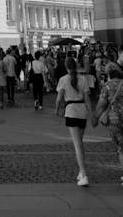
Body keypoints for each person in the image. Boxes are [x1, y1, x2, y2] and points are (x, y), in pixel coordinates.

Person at [55, 55, 94, 187]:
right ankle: (80, 171)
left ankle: (83, 174)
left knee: (77, 144)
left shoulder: (63, 80)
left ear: (66, 67)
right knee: (80, 142)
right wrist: (91, 112)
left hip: (71, 110)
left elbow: (59, 98)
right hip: (82, 109)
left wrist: (57, 110)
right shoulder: (82, 79)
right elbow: (87, 98)